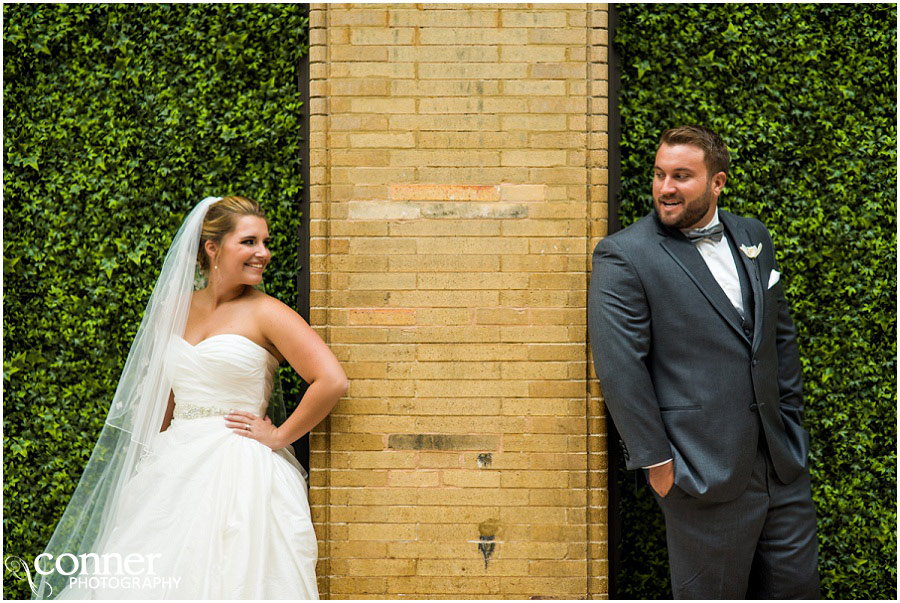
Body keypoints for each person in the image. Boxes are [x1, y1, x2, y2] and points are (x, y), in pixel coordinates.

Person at [35, 196, 347, 599]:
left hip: (239, 469)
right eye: (249, 242)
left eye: (265, 242)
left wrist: (280, 436)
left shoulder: (268, 313)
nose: (263, 253)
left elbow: (331, 380)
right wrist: (149, 465)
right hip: (174, 462)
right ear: (212, 248)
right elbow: (163, 397)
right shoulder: (176, 307)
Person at [588, 126, 819, 598]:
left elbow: (778, 336)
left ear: (718, 182)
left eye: (681, 176)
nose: (665, 188)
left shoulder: (753, 235)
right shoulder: (624, 256)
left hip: (782, 466)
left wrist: (791, 422)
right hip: (700, 474)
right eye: (659, 175)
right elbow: (621, 369)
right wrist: (660, 465)